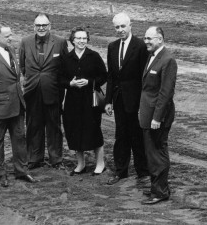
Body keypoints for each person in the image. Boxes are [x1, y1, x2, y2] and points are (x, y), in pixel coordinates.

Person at [0, 24, 36, 187]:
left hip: (17, 104)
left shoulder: (11, 51)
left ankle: (22, 170)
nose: (11, 38)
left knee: (19, 138)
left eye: (11, 35)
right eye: (7, 36)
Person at [19, 13, 69, 170]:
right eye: (38, 26)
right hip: (32, 91)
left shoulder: (60, 42)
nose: (41, 28)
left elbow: (65, 67)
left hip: (53, 91)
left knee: (54, 126)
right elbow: (22, 66)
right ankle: (34, 158)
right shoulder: (25, 42)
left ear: (50, 26)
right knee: (33, 125)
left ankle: (56, 159)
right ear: (34, 26)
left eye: (44, 25)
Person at [105, 13, 149, 185]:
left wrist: (142, 103)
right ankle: (120, 171)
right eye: (117, 27)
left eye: (123, 26)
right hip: (119, 100)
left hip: (136, 100)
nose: (120, 30)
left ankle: (142, 172)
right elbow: (111, 76)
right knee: (121, 136)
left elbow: (143, 77)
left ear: (131, 25)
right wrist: (108, 101)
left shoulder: (140, 46)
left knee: (137, 136)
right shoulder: (112, 47)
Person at [60, 28, 107, 176]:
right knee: (74, 131)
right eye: (78, 38)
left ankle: (100, 163)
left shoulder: (94, 56)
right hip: (72, 101)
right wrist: (70, 84)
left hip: (90, 100)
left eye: (84, 38)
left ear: (88, 40)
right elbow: (59, 79)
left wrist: (90, 82)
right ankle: (81, 164)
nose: (81, 41)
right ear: (72, 40)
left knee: (94, 130)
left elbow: (104, 76)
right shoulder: (66, 58)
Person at [139, 26, 177, 205]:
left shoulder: (168, 60)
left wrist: (157, 118)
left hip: (157, 117)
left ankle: (160, 192)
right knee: (152, 152)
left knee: (157, 154)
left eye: (150, 39)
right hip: (149, 114)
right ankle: (157, 188)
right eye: (145, 38)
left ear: (160, 39)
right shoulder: (153, 56)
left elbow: (165, 93)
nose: (146, 41)